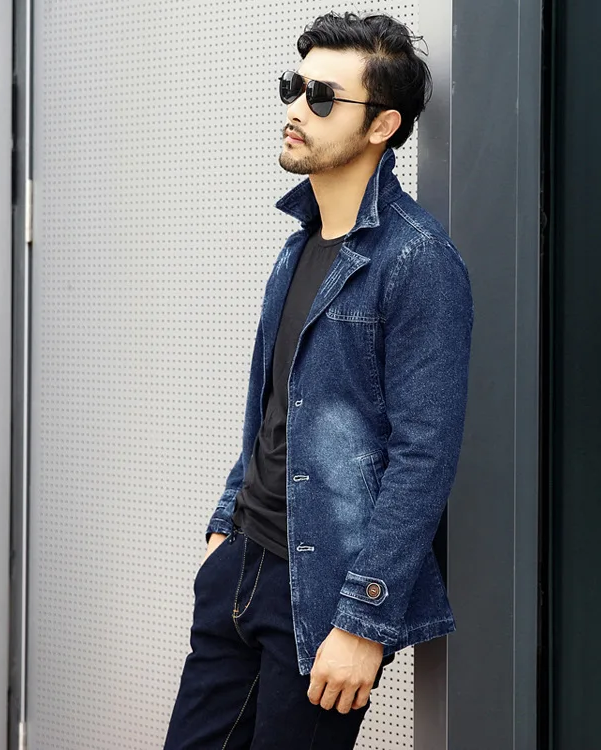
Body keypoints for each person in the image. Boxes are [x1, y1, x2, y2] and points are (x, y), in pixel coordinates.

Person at [163, 11, 473, 749]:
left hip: (324, 599)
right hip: (241, 567)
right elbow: (275, 408)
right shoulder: (297, 247)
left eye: (324, 97)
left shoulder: (418, 263)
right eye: (295, 88)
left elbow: (424, 458)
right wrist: (225, 524)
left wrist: (365, 622)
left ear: (382, 125)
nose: (298, 109)